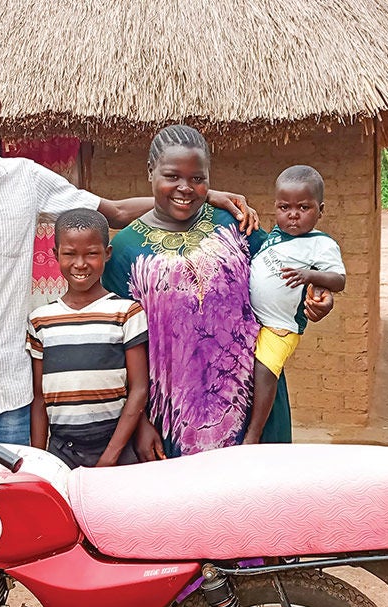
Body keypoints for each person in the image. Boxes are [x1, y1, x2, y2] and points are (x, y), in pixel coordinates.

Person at [0, 56, 256, 607]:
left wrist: (203, 194)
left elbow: (116, 212)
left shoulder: (28, 180)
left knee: (21, 549)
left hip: (13, 406)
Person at [101, 125, 333, 459]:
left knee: (256, 504)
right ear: (150, 172)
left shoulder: (235, 224)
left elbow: (282, 273)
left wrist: (318, 293)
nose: (185, 188)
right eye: (172, 176)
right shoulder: (125, 249)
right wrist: (139, 423)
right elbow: (115, 349)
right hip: (170, 420)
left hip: (253, 406)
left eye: (198, 178)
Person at [27, 209, 148, 468]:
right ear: (55, 255)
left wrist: (110, 457)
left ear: (107, 254)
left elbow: (138, 389)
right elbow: (39, 399)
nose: (80, 264)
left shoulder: (126, 312)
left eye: (91, 253)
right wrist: (39, 462)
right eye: (69, 254)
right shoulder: (41, 320)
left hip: (116, 448)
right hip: (62, 452)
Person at [243, 166, 346, 444]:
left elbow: (338, 280)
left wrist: (310, 276)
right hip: (254, 322)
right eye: (284, 207)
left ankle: (254, 432)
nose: (293, 214)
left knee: (265, 370)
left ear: (320, 210)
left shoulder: (319, 245)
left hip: (281, 326)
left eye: (304, 207)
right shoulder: (273, 236)